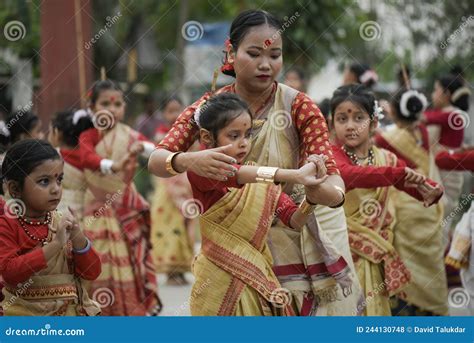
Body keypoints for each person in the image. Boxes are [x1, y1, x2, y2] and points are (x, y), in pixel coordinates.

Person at [149, 9, 362, 316]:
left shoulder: (299, 106)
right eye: (254, 53)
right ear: (231, 53)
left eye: (275, 55)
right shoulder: (211, 108)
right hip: (231, 244)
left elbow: (329, 177)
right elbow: (158, 160)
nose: (266, 64)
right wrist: (189, 160)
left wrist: (321, 193)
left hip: (291, 239)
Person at [189, 93, 331, 315]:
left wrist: (311, 198)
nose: (244, 143)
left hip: (256, 278)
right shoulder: (202, 170)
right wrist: (295, 175)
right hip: (216, 279)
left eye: (248, 134)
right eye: (233, 135)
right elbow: (234, 174)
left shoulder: (261, 182)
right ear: (207, 137)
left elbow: (294, 221)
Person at [330, 84, 443, 315]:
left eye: (359, 118)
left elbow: (417, 188)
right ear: (333, 124)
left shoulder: (386, 159)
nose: (350, 126)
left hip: (377, 256)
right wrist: (397, 175)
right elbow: (352, 176)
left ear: (373, 124)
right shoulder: (331, 157)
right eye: (342, 119)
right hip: (343, 257)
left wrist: (431, 190)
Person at [78, 79, 161, 315]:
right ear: (92, 107)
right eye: (105, 103)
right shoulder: (89, 135)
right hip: (97, 210)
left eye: (118, 104)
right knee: (100, 262)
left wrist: (141, 149)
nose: (113, 109)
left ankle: (129, 312)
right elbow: (87, 159)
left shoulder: (130, 135)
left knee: (132, 259)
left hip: (126, 208)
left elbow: (156, 150)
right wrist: (112, 165)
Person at [0, 139, 101, 316]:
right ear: (15, 188)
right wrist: (55, 245)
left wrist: (78, 239)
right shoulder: (7, 224)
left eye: (59, 180)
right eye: (44, 181)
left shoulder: (61, 221)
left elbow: (92, 272)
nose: (56, 189)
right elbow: (10, 273)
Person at [375, 88, 448, 316]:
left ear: (394, 111)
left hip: (405, 208)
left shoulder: (383, 138)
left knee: (405, 263)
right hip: (428, 206)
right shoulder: (424, 132)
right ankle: (433, 311)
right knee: (431, 264)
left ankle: (406, 315)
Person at [150, 96, 196, 285]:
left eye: (178, 109)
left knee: (187, 228)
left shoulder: (190, 134)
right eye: (170, 110)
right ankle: (171, 272)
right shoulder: (161, 136)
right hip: (167, 187)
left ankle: (182, 270)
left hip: (186, 185)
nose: (175, 114)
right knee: (171, 228)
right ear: (163, 114)